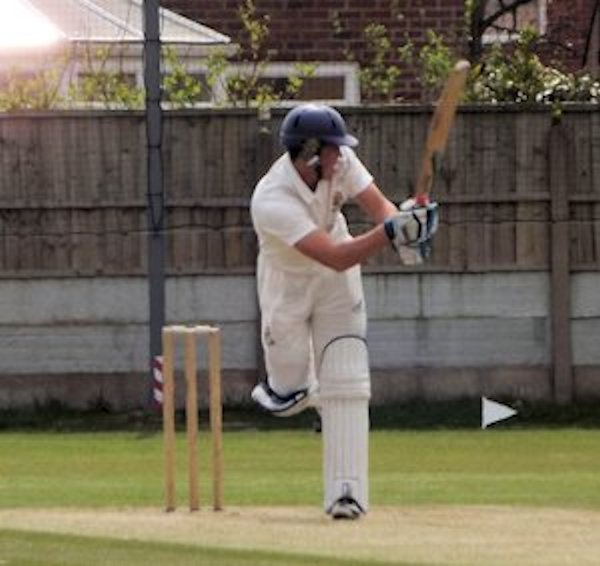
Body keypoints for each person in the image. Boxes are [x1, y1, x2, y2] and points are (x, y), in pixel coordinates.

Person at [249, 104, 438, 520]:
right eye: (333, 149)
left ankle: (346, 494)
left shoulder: (340, 161)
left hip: (337, 282)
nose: (341, 156)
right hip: (288, 285)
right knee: (291, 393)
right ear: (309, 153)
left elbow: (380, 208)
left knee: (347, 370)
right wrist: (391, 232)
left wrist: (407, 224)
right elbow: (334, 256)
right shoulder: (272, 200)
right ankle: (307, 394)